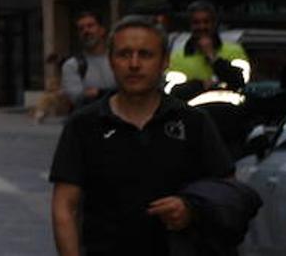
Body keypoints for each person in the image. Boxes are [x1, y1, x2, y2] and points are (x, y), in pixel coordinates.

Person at [49, 15, 235, 256]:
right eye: (124, 54)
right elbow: (65, 207)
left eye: (145, 54)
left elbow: (228, 192)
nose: (134, 64)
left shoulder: (193, 122)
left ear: (164, 62)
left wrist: (191, 209)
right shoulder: (83, 125)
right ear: (111, 61)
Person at [167, 0, 248, 92]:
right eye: (196, 22)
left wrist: (213, 57)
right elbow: (171, 91)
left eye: (206, 22)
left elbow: (240, 83)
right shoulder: (177, 57)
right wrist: (201, 85)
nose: (202, 27)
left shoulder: (234, 51)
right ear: (190, 25)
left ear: (214, 24)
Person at [60, 10, 117, 109]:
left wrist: (97, 93)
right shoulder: (72, 65)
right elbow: (78, 99)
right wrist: (114, 93)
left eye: (90, 26)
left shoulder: (119, 60)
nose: (86, 31)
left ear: (102, 30)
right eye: (81, 29)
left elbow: (131, 92)